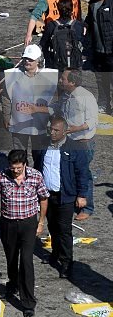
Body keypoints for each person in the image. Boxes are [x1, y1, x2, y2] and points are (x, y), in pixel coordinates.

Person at [0, 149, 48, 317]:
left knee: (27, 261)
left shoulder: (35, 176)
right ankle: (12, 285)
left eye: (18, 168)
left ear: (25, 165)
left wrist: (41, 221)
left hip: (28, 223)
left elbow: (43, 197)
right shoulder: (2, 176)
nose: (15, 171)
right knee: (11, 258)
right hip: (8, 223)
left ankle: (28, 302)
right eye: (13, 168)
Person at [32, 115, 90, 279]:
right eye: (51, 129)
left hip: (66, 195)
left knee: (64, 229)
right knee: (52, 226)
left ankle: (66, 262)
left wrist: (82, 195)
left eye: (56, 130)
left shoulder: (74, 148)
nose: (52, 133)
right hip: (47, 195)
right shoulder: (43, 146)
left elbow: (82, 172)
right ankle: (55, 254)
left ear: (65, 131)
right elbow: (38, 166)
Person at [57, 68, 98, 217]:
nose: (60, 81)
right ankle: (76, 200)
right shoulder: (65, 96)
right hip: (70, 141)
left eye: (63, 78)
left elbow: (93, 120)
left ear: (73, 82)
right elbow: (59, 110)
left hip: (83, 142)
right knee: (71, 171)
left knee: (83, 173)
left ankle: (87, 208)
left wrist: (75, 129)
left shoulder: (85, 97)